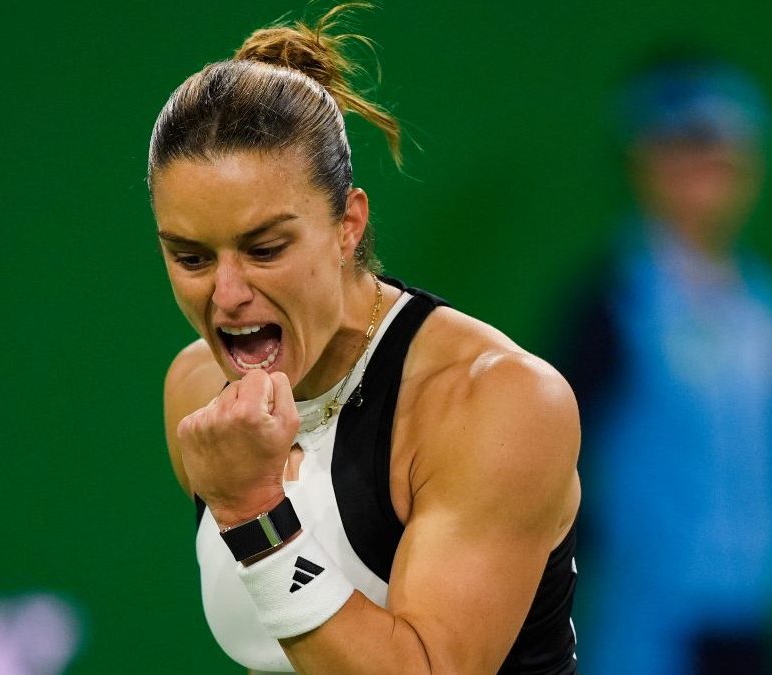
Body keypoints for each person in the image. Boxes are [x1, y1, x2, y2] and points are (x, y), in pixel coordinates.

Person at [149, 6, 581, 674]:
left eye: (264, 248)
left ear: (349, 224)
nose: (227, 294)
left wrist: (254, 512)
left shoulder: (498, 399)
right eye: (191, 257)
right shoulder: (198, 389)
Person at [557, 50, 772, 675]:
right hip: (645, 633)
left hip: (758, 624)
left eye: (724, 154)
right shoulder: (613, 304)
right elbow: (556, 463)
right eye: (683, 152)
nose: (706, 171)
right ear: (642, 163)